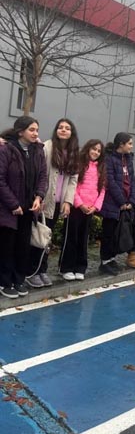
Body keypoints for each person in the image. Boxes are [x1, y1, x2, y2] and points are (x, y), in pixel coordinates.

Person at [27, 118, 79, 288]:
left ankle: (42, 270)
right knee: (38, 236)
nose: (63, 130)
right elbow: (40, 174)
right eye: (60, 127)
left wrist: (68, 202)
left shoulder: (73, 153)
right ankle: (32, 271)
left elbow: (73, 180)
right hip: (44, 200)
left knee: (47, 238)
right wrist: (39, 196)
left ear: (72, 133)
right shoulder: (47, 147)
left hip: (59, 203)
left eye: (67, 128)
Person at [0, 116, 47, 299]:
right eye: (32, 130)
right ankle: (5, 281)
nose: (36, 133)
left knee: (22, 246)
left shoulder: (38, 150)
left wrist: (39, 196)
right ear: (21, 132)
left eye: (37, 130)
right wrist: (13, 204)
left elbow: (43, 175)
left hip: (29, 208)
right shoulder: (6, 150)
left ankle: (18, 279)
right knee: (7, 247)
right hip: (9, 209)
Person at [58, 139, 106, 280]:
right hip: (75, 208)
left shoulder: (101, 168)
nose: (96, 152)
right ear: (87, 148)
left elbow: (102, 190)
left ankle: (80, 268)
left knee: (83, 239)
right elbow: (72, 186)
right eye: (94, 149)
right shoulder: (78, 164)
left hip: (90, 210)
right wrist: (80, 204)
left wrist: (95, 207)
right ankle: (66, 268)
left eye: (98, 151)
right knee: (71, 238)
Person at [99, 133, 135, 276]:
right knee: (108, 233)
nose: (131, 146)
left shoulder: (129, 160)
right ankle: (105, 261)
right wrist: (121, 201)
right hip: (112, 204)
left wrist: (131, 201)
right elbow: (110, 182)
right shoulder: (109, 159)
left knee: (118, 233)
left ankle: (112, 258)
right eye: (129, 143)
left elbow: (132, 181)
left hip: (126, 204)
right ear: (121, 144)